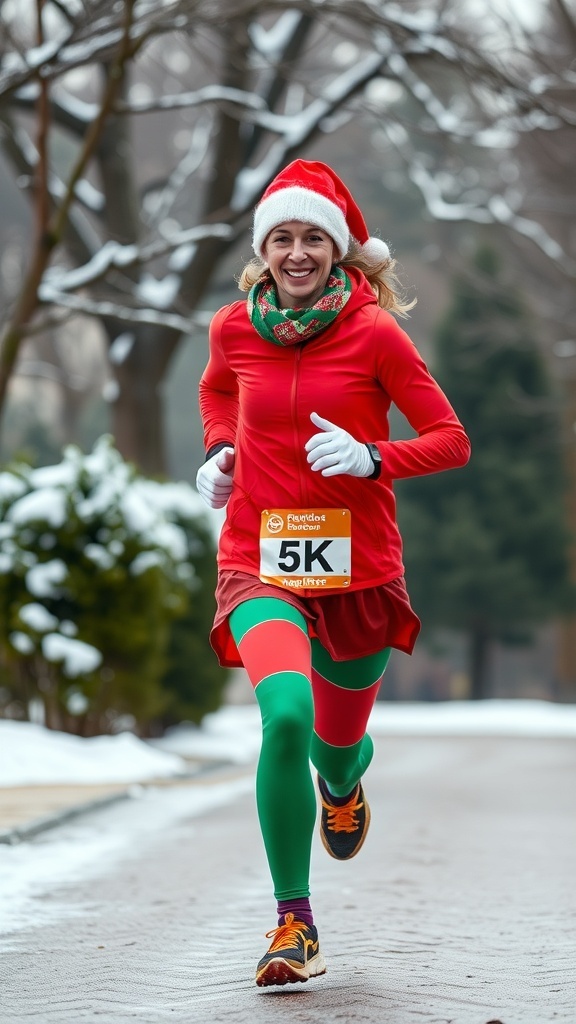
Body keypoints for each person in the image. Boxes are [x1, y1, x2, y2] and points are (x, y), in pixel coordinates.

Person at [196, 160, 471, 988]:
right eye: (282, 237)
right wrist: (218, 453)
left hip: (357, 574)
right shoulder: (233, 328)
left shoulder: (376, 333)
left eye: (313, 236)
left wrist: (370, 457)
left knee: (335, 745)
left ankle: (343, 784)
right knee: (285, 714)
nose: (297, 251)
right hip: (259, 561)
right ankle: (294, 922)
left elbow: (450, 437)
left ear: (341, 250)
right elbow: (217, 394)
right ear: (264, 251)